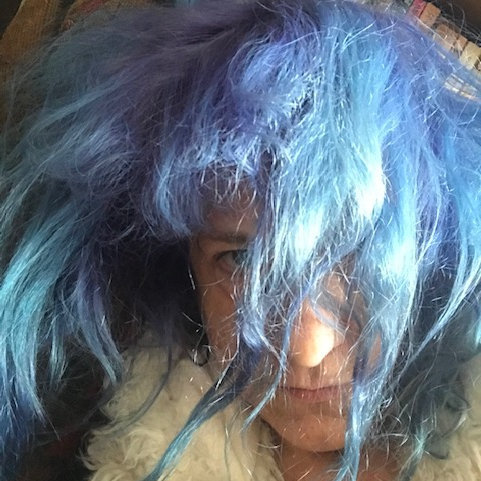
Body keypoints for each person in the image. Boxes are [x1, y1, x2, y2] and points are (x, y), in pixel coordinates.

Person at [2, 0, 481, 480]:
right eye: (241, 259)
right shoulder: (126, 453)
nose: (306, 349)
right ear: (188, 271)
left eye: (358, 252)